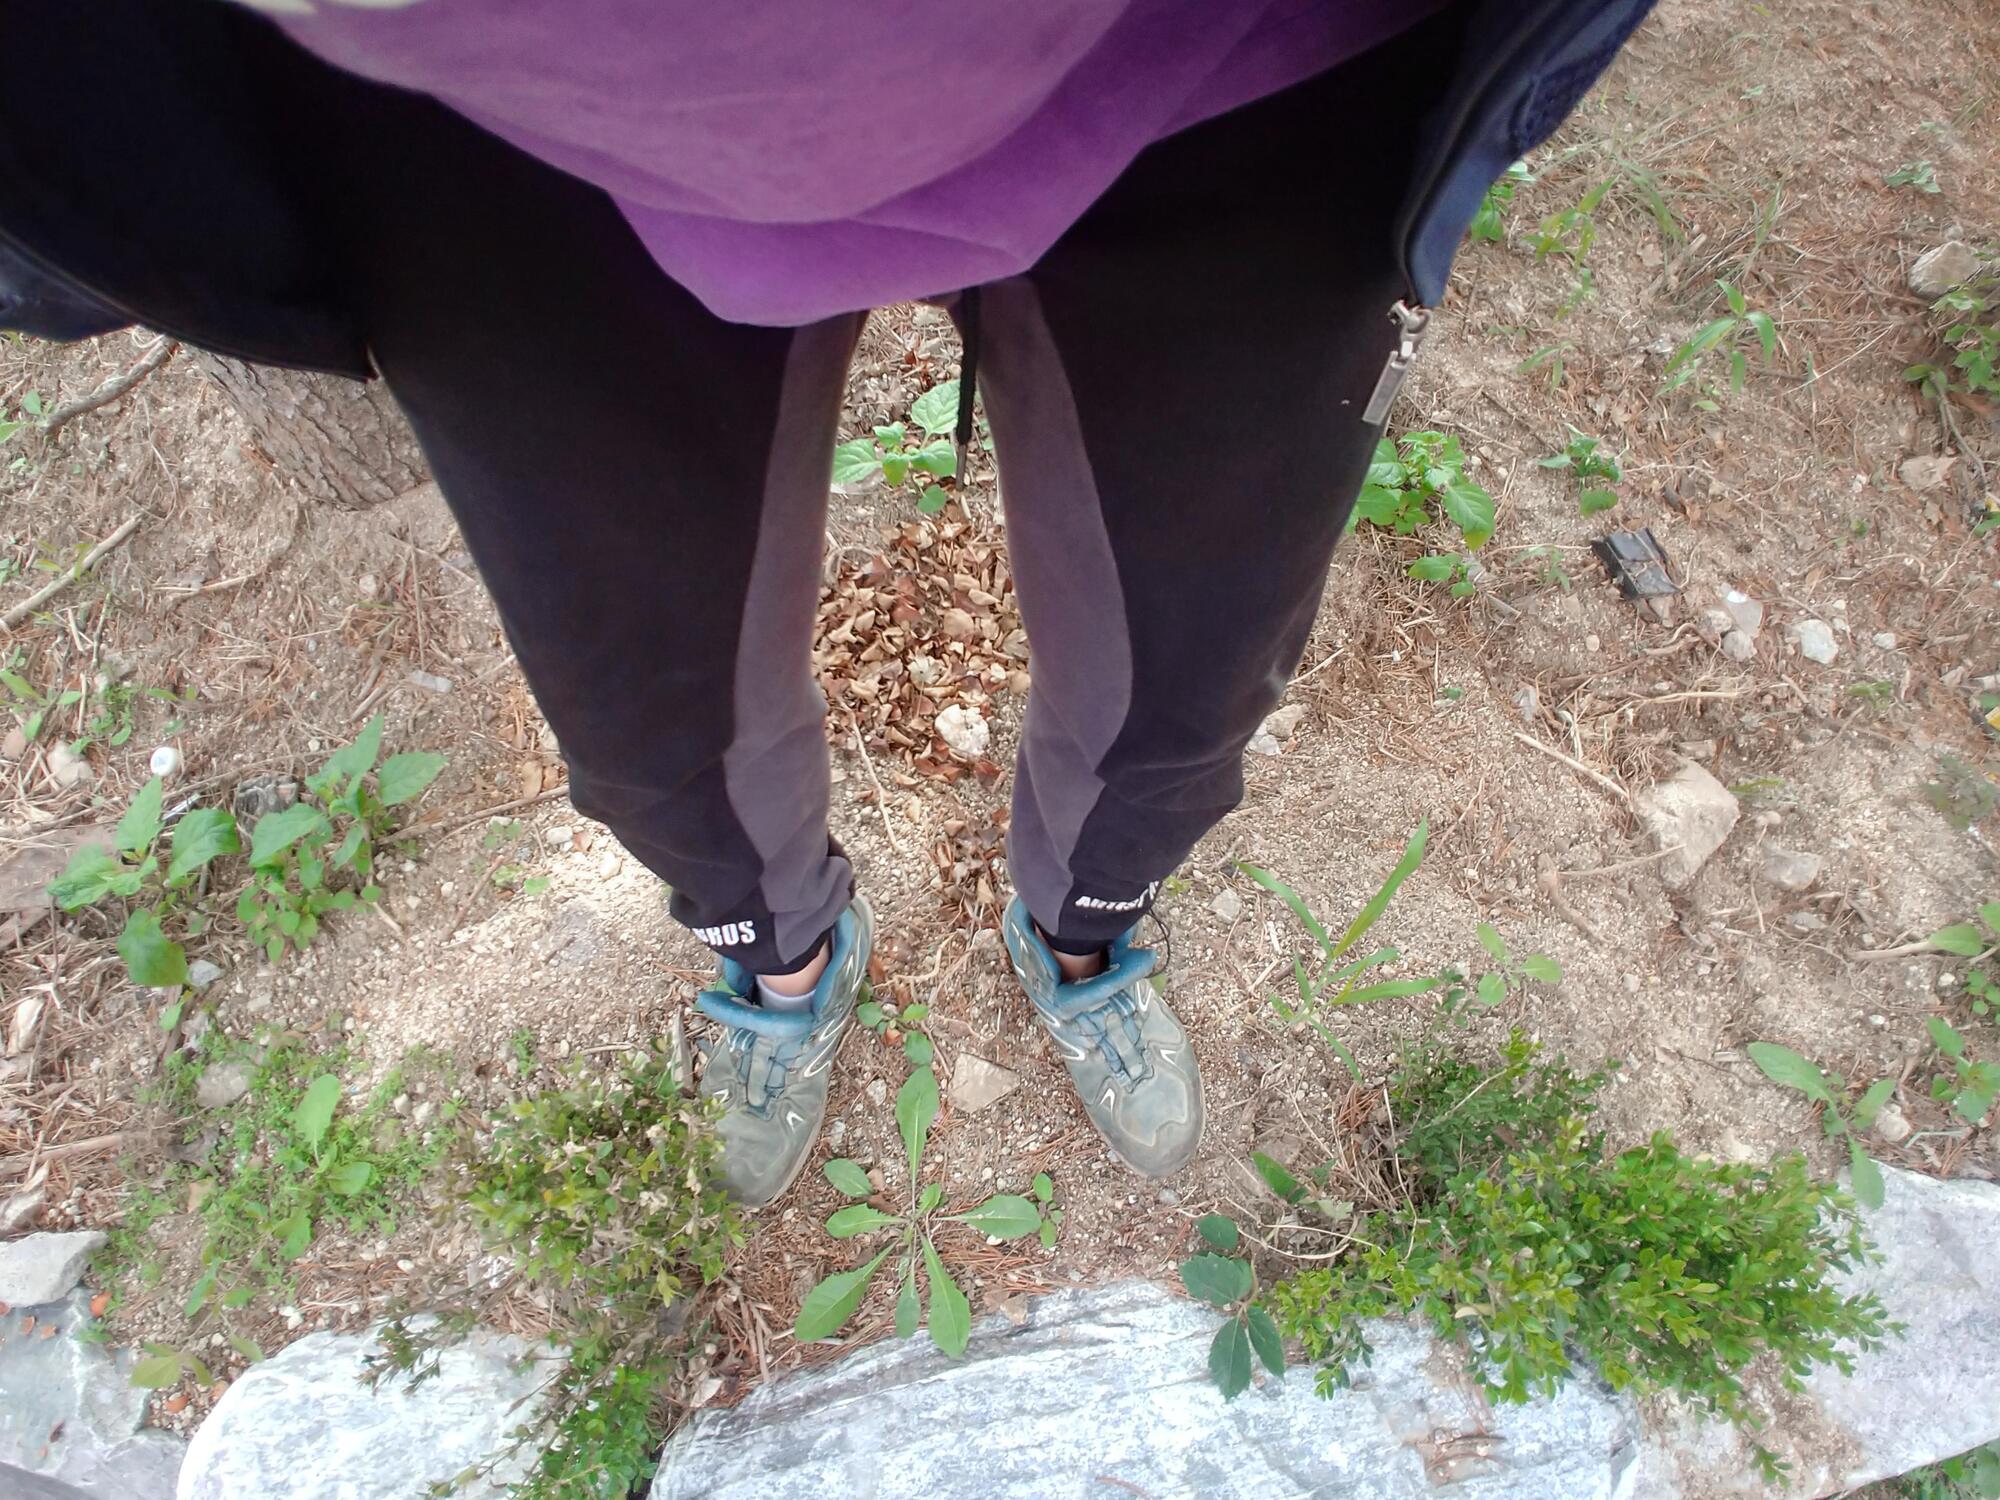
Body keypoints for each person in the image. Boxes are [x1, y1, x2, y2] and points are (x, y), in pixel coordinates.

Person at [0, 0, 1654, 1206]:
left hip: (1248, 68)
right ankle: (781, 960)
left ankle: (1081, 929)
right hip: (495, 140)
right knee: (648, 717)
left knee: (1190, 664)